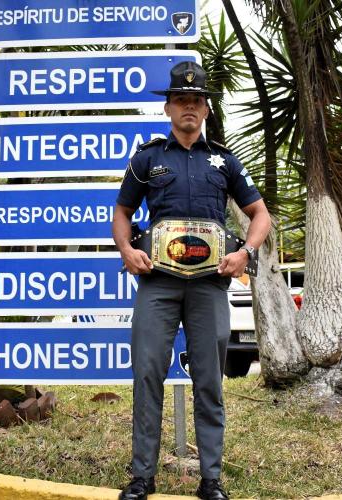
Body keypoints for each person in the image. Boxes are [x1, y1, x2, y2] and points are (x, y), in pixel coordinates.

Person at [112, 61, 271, 500]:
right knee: (146, 373)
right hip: (157, 284)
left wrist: (245, 253)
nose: (188, 106)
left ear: (205, 109)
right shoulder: (147, 159)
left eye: (196, 100)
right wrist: (127, 251)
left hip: (209, 285)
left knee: (208, 379)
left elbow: (260, 215)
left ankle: (211, 480)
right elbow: (122, 212)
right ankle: (142, 476)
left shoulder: (224, 161)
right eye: (181, 99)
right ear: (168, 107)